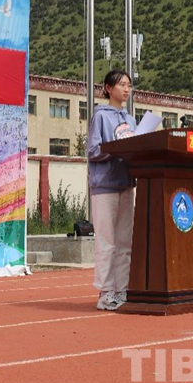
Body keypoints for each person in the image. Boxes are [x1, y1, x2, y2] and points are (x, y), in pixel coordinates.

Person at [87, 69, 136, 311]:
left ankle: (121, 290)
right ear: (108, 88)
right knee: (106, 242)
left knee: (125, 243)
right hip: (105, 186)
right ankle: (105, 293)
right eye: (121, 84)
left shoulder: (131, 120)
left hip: (126, 184)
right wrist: (116, 148)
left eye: (129, 85)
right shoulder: (100, 116)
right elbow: (92, 151)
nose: (126, 89)